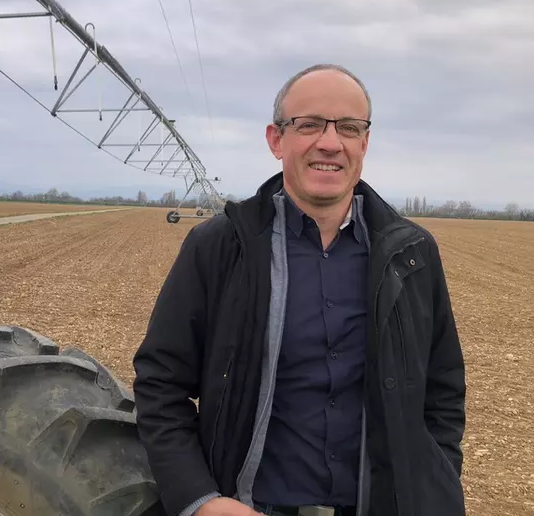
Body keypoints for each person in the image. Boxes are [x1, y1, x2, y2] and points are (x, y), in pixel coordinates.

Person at [132, 64, 467, 516]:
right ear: (276, 139)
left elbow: (442, 392)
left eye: (349, 127)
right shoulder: (222, 247)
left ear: (364, 143)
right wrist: (201, 501)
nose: (330, 143)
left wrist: (433, 483)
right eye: (309, 125)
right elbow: (160, 385)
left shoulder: (411, 255)